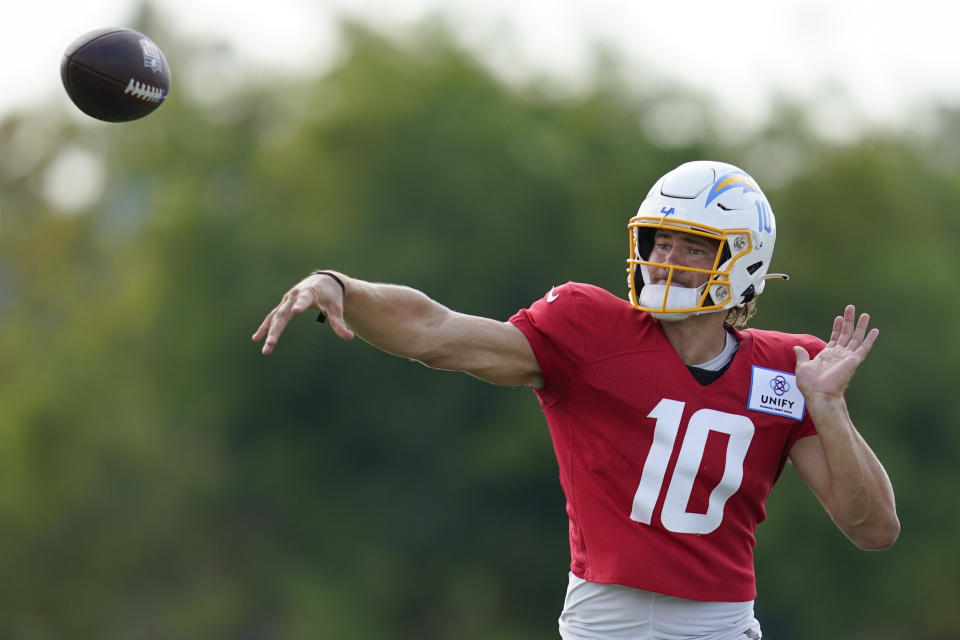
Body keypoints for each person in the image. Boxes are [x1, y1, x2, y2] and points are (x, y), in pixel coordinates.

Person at [252, 160, 899, 640]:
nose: (666, 259)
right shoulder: (591, 329)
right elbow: (435, 332)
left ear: (743, 262)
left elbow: (873, 529)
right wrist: (343, 286)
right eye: (660, 241)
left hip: (722, 629)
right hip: (602, 624)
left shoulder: (791, 368)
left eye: (693, 246)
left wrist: (829, 410)